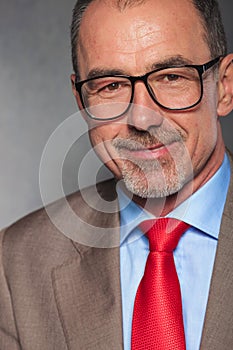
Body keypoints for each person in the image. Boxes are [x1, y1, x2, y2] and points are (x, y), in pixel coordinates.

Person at [1, 0, 233, 349]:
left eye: (171, 77)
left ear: (225, 87)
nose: (142, 118)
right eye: (110, 86)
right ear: (82, 102)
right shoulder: (15, 263)